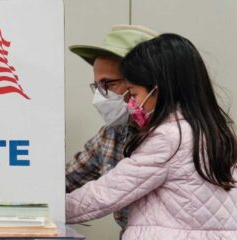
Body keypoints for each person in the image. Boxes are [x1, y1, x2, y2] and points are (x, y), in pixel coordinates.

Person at [66, 33, 237, 239]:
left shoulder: (168, 138)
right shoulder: (213, 132)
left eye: (134, 93)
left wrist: (47, 211)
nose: (132, 103)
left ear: (158, 87)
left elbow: (104, 195)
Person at [65, 24, 157, 235]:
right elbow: (68, 180)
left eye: (108, 84)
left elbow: (105, 195)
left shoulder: (173, 134)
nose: (100, 96)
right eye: (97, 86)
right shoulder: (111, 134)